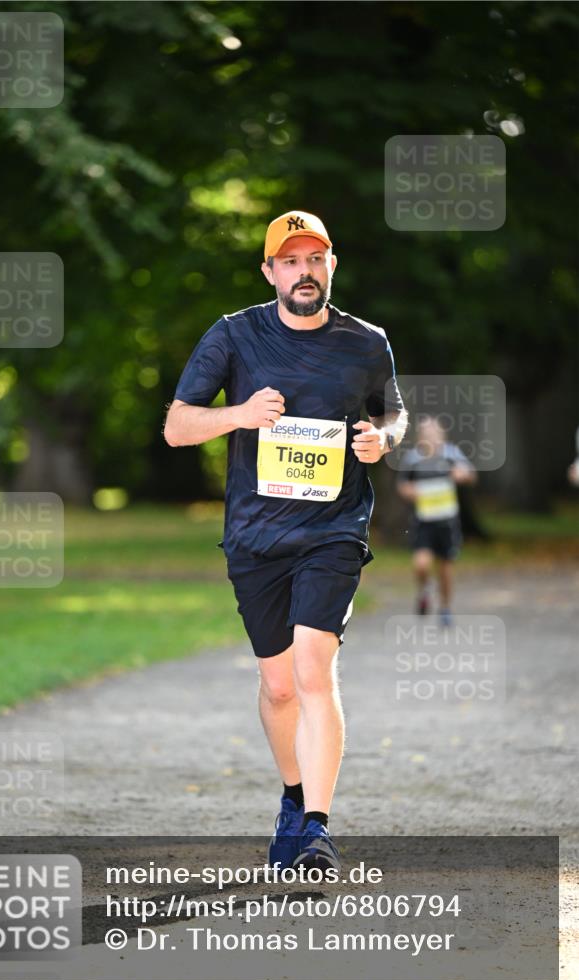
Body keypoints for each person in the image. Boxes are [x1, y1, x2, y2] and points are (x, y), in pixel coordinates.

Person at [164, 210, 408, 875]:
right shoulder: (233, 336)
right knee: (277, 688)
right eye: (290, 260)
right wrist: (239, 416)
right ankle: (294, 800)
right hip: (254, 535)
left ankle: (318, 832)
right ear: (270, 271)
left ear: (331, 266)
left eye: (315, 259)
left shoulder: (366, 342)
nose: (304, 271)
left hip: (333, 528)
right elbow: (177, 427)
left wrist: (380, 440)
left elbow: (392, 412)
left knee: (310, 670)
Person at [396, 415, 477, 626]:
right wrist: (411, 492)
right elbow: (402, 485)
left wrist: (463, 475)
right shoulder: (413, 459)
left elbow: (471, 475)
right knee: (421, 564)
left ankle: (445, 608)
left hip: (447, 521)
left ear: (442, 434)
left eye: (434, 432)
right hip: (423, 521)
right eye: (426, 433)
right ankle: (423, 592)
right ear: (419, 437)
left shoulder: (451, 454)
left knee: (445, 569)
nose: (430, 437)